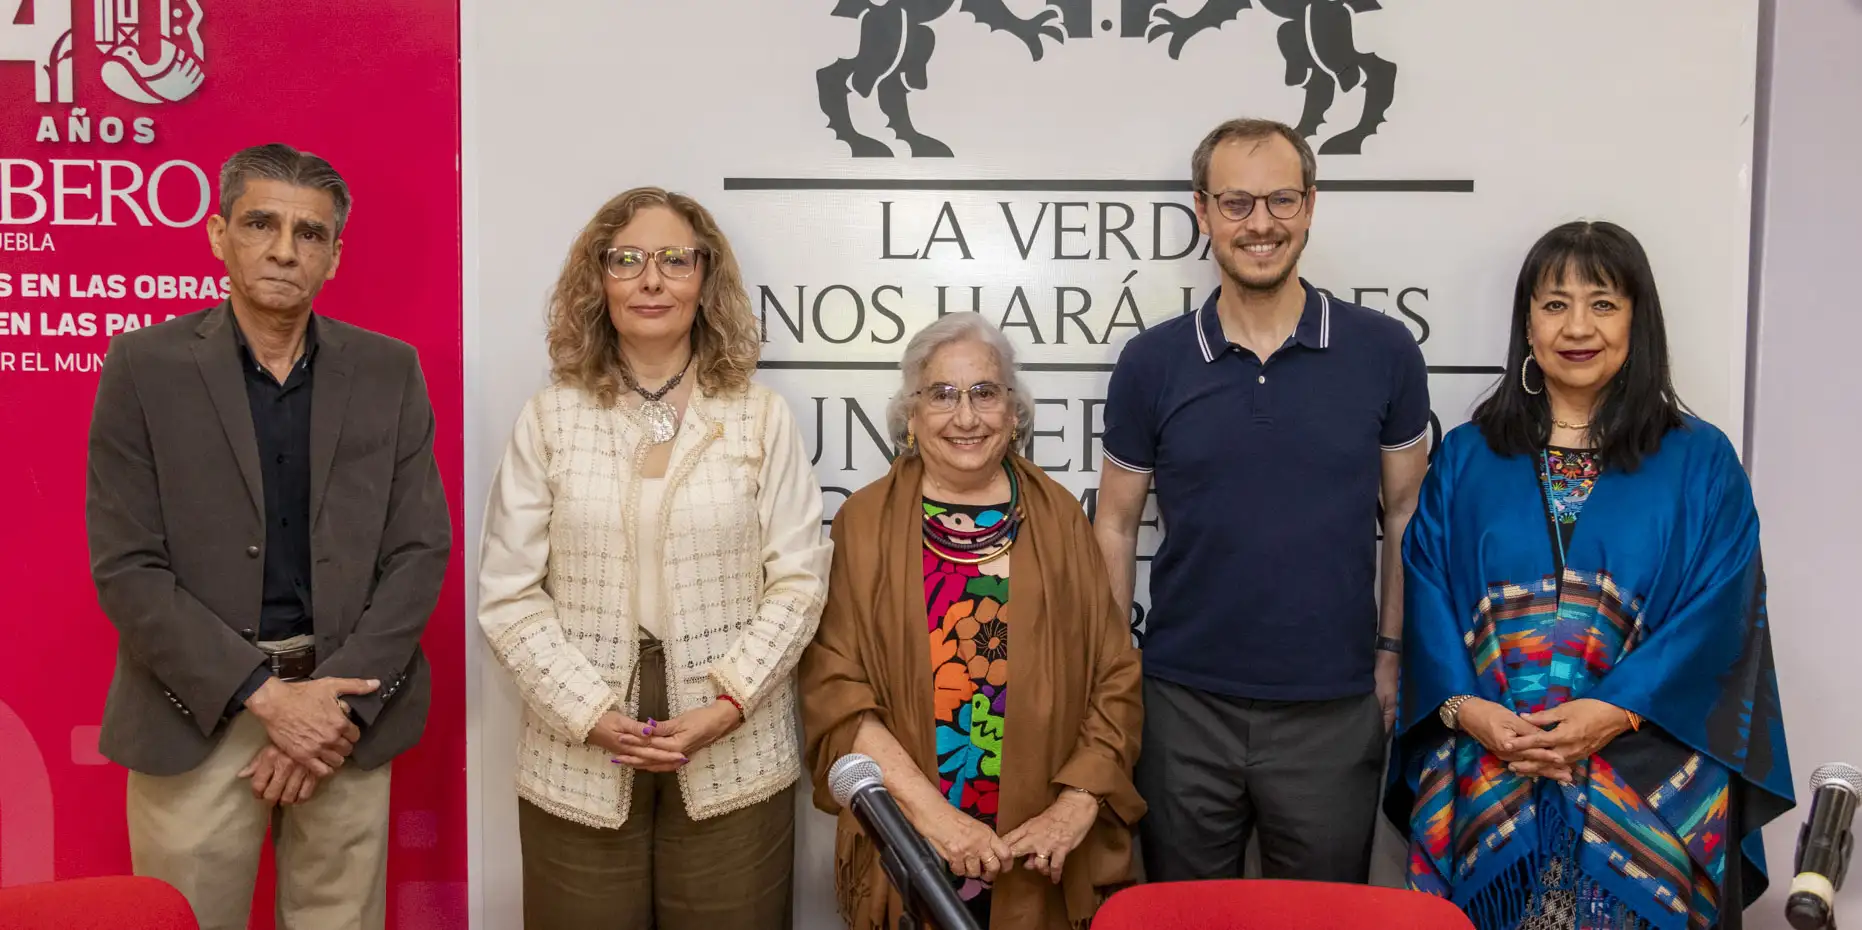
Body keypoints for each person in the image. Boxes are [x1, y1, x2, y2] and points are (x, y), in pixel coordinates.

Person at [1384, 221, 1795, 929]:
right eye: (1554, 304)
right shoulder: (1470, 457)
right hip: (1492, 771)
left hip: (1644, 782)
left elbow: (1723, 612)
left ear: (1639, 318)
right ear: (1527, 323)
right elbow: (1426, 593)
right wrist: (1467, 711)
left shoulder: (1698, 461)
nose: (1578, 326)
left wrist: (1615, 711)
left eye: (1603, 303)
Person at [84, 143, 453, 930]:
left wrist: (328, 709)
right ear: (219, 234)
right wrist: (265, 698)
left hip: (344, 714)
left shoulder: (390, 371)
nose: (285, 249)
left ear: (334, 256)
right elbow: (128, 568)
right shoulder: (143, 367)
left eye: (309, 233)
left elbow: (420, 550)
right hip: (195, 713)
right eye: (261, 223)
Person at [476, 186, 831, 929]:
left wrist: (730, 701)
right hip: (578, 745)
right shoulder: (552, 417)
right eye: (626, 259)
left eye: (675, 260)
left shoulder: (758, 415)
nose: (651, 279)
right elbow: (509, 593)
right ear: (596, 280)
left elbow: (799, 579)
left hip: (733, 740)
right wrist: (588, 711)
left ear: (706, 280)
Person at [1092, 116, 1431, 884]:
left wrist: (1390, 655)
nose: (1261, 225)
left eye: (1280, 200)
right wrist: (1119, 676)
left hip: (1336, 708)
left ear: (1311, 205)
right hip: (1181, 708)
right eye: (1237, 204)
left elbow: (1407, 512)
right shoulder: (1151, 363)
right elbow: (1113, 524)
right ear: (1202, 212)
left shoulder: (1383, 353)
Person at [799, 313, 1145, 930]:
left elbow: (1115, 676)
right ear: (911, 415)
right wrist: (934, 819)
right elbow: (837, 694)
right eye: (942, 394)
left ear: (1014, 414)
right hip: (913, 846)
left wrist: (1076, 804)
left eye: (986, 393)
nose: (966, 416)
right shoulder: (865, 522)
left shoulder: (1062, 518)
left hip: (1040, 855)